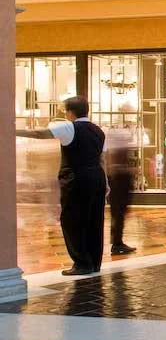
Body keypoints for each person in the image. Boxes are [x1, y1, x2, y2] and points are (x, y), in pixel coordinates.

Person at [16, 96, 107, 276]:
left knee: (73, 220)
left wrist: (12, 130)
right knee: (94, 220)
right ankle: (94, 263)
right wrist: (107, 184)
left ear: (70, 112)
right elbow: (102, 159)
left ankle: (81, 263)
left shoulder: (68, 126)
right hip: (97, 177)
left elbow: (39, 134)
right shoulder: (98, 130)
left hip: (77, 178)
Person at [106, 106, 137, 256]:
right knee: (119, 210)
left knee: (119, 211)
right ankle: (117, 243)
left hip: (118, 177)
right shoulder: (119, 137)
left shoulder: (114, 137)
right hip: (120, 178)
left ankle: (117, 241)